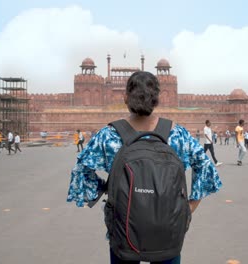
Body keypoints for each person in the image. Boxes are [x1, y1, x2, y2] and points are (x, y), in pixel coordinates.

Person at [66, 71, 222, 264]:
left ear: (125, 97)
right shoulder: (177, 134)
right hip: (168, 229)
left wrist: (106, 187)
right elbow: (206, 168)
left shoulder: (108, 135)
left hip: (123, 229)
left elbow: (80, 172)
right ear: (156, 99)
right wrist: (188, 208)